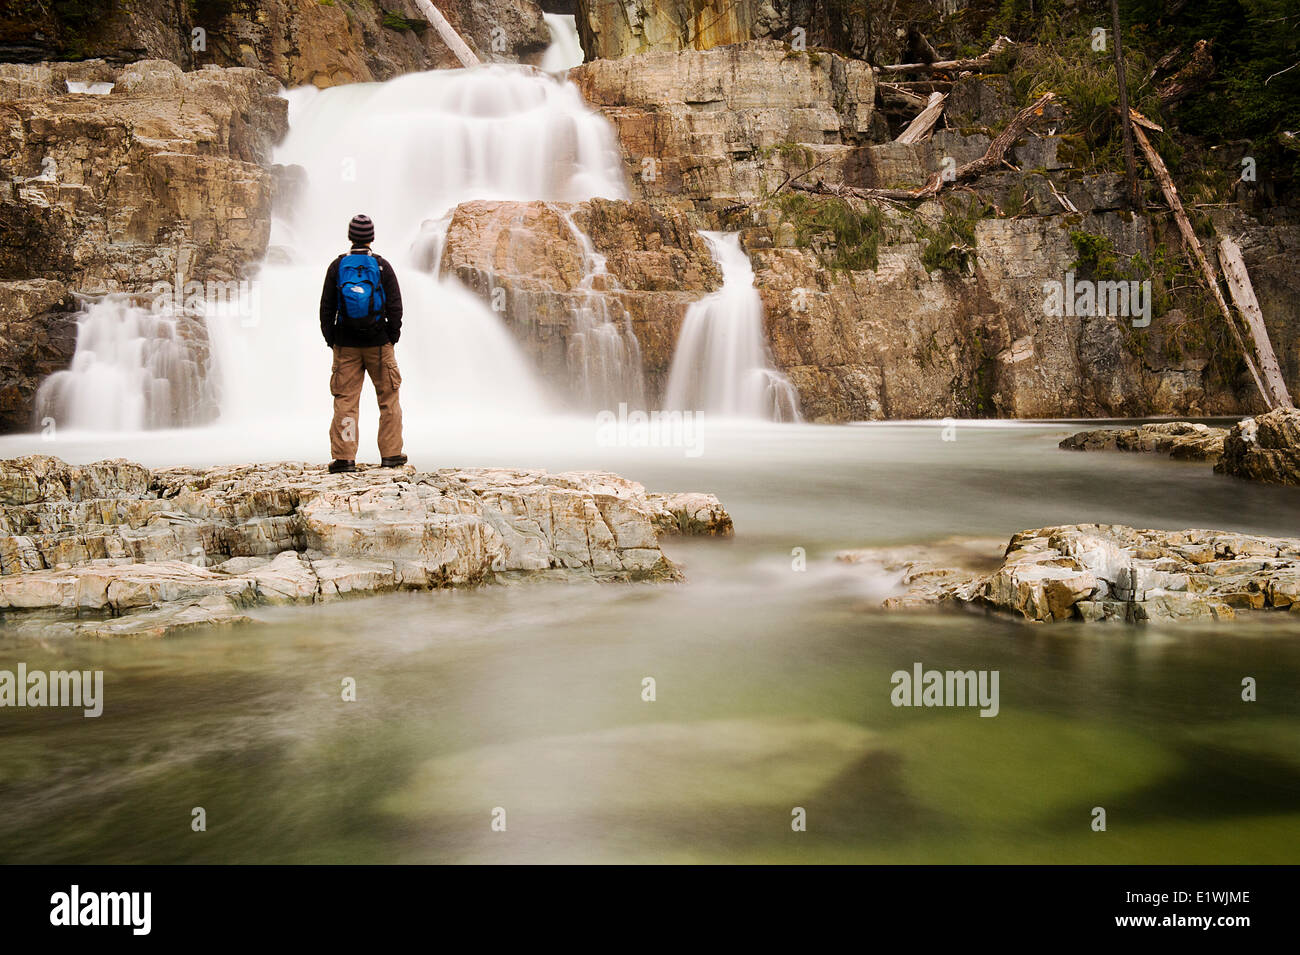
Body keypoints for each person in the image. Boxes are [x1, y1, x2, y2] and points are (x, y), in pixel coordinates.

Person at [319, 214, 406, 473]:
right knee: (388, 399)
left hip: (346, 345)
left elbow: (326, 308)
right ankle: (391, 455)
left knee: (346, 400)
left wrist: (332, 339)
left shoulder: (337, 267)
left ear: (350, 236)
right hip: (379, 345)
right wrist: (391, 337)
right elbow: (395, 306)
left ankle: (345, 458)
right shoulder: (382, 267)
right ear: (371, 238)